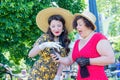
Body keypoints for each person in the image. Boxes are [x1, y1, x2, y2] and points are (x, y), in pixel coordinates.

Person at [52, 11, 115, 80]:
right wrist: (59, 58)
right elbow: (69, 60)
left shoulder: (98, 38)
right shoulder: (77, 42)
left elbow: (111, 59)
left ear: (88, 25)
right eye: (76, 25)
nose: (77, 27)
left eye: (80, 24)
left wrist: (88, 61)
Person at [27, 7, 73, 80]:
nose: (56, 29)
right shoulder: (44, 37)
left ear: (63, 27)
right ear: (50, 28)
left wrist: (57, 76)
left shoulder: (65, 41)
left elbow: (62, 62)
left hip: (52, 75)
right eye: (53, 26)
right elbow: (30, 54)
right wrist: (44, 45)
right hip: (37, 73)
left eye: (59, 26)